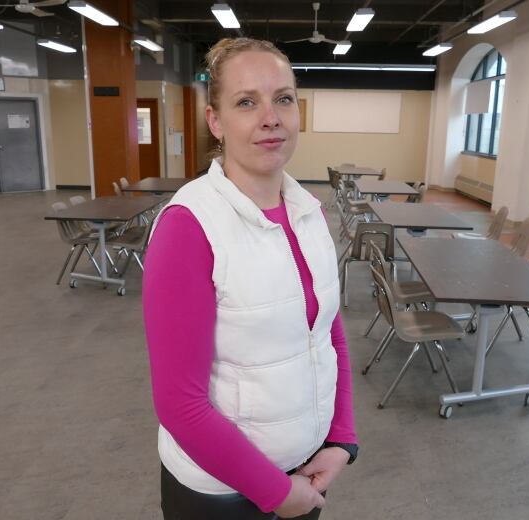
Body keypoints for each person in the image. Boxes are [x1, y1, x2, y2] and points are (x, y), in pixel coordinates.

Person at [142, 37, 358, 519]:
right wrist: (277, 494)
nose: (271, 117)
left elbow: (328, 333)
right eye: (246, 102)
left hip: (304, 471)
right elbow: (181, 405)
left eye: (283, 98)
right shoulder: (190, 227)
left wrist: (342, 438)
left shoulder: (309, 212)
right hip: (221, 493)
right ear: (215, 121)